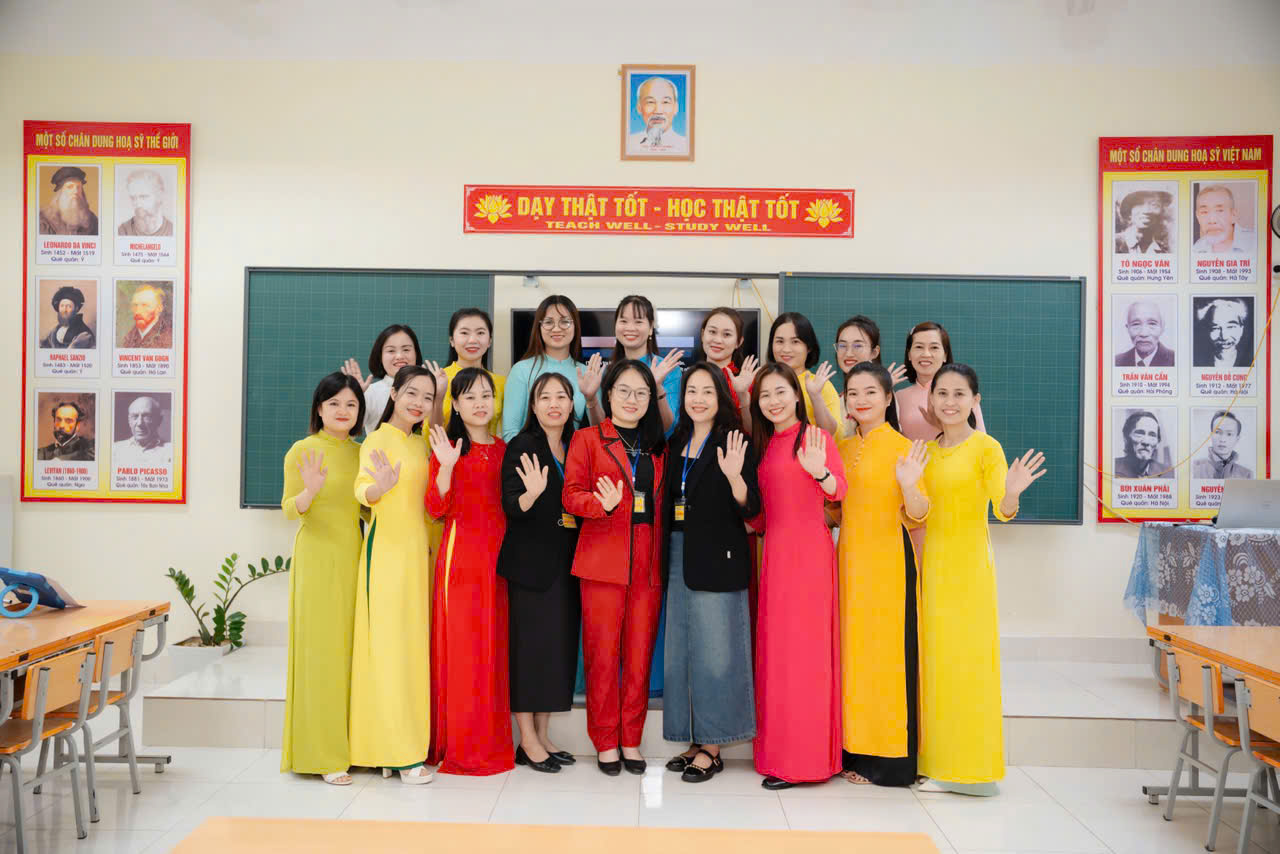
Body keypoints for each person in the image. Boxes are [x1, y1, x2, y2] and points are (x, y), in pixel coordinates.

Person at [918, 363, 1045, 796]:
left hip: (969, 569)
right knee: (937, 667)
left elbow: (1003, 509)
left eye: (959, 394)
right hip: (932, 566)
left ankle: (974, 770)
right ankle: (938, 765)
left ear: (975, 401)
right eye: (942, 393)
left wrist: (1012, 491)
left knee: (969, 667)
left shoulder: (986, 447)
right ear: (931, 399)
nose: (950, 402)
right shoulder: (925, 451)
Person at [562, 359, 667, 776]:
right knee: (602, 657)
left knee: (639, 657)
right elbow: (571, 495)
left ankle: (631, 739)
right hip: (602, 560)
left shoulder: (658, 445)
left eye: (641, 392)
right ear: (608, 395)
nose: (632, 399)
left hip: (648, 564)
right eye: (624, 390)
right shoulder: (587, 439)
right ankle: (606, 740)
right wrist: (599, 504)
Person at [662, 364, 760, 783]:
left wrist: (736, 478)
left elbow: (752, 506)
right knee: (683, 650)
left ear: (721, 396)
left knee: (717, 654)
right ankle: (693, 738)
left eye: (707, 391)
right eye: (691, 391)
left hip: (719, 556)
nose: (698, 399)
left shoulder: (734, 439)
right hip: (678, 553)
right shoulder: (677, 440)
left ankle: (714, 746)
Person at [750, 363, 846, 790]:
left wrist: (820, 470)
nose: (773, 401)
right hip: (774, 558)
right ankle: (780, 755)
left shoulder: (816, 437)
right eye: (765, 395)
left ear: (796, 394)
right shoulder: (763, 446)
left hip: (810, 559)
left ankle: (807, 761)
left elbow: (839, 490)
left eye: (780, 392)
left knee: (806, 657)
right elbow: (761, 514)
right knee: (779, 658)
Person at [834, 362, 929, 787]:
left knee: (887, 659)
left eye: (870, 392)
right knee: (854, 659)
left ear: (889, 398)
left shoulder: (904, 447)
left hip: (889, 565)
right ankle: (854, 750)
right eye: (853, 392)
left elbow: (920, 512)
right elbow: (836, 509)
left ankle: (890, 762)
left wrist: (909, 484)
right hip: (849, 564)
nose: (861, 400)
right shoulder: (841, 446)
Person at [349, 366, 436, 784]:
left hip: (418, 556)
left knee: (411, 652)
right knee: (389, 651)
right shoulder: (377, 439)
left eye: (428, 397)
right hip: (385, 555)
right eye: (412, 393)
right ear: (394, 393)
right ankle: (398, 754)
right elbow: (361, 491)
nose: (419, 403)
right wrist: (378, 489)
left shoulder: (422, 444)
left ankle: (395, 748)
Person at [426, 369, 513, 775]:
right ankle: (460, 744)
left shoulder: (505, 449)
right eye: (470, 396)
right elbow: (434, 508)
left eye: (486, 395)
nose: (480, 403)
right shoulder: (447, 448)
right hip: (461, 559)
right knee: (464, 651)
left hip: (501, 561)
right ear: (456, 405)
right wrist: (445, 467)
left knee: (493, 649)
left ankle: (490, 742)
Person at [280, 373, 365, 786]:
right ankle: (322, 754)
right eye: (334, 403)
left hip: (354, 559)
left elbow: (365, 508)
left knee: (351, 655)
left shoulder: (362, 453)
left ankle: (352, 746)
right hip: (316, 561)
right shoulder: (303, 450)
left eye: (351, 404)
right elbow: (289, 508)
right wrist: (309, 492)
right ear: (319, 408)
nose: (343, 411)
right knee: (321, 657)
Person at [497, 373, 582, 773]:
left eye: (561, 397)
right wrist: (530, 494)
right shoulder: (522, 445)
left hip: (568, 564)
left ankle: (544, 736)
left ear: (571, 404)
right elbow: (511, 504)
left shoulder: (576, 444)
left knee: (556, 652)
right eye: (545, 397)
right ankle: (527, 741)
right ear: (533, 406)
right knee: (529, 653)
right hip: (531, 567)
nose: (553, 404)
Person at [502, 294, 604, 440]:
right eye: (548, 322)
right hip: (530, 454)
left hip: (572, 454)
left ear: (575, 326)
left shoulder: (586, 373)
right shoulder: (521, 370)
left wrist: (591, 398)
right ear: (539, 327)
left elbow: (600, 433)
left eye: (565, 322)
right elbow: (510, 433)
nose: (556, 328)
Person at [895, 322, 986, 442]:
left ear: (945, 355)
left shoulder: (961, 393)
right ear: (909, 355)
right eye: (919, 347)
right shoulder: (899, 397)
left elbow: (981, 442)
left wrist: (940, 425)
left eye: (934, 347)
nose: (926, 354)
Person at [341, 324, 438, 436]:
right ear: (380, 356)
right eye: (391, 351)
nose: (399, 356)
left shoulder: (429, 390)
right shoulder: (371, 392)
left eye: (406, 349)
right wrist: (353, 396)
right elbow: (348, 431)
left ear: (416, 353)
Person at [612, 295, 684, 434]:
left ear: (651, 328)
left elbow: (669, 427)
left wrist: (656, 387)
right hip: (614, 446)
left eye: (638, 321)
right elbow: (600, 424)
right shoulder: (608, 371)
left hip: (653, 447)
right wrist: (591, 399)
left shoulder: (667, 370)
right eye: (623, 321)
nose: (630, 328)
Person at [766, 312, 841, 437]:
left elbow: (832, 433)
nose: (786, 349)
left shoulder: (820, 385)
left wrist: (815, 396)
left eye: (795, 341)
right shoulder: (764, 383)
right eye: (779, 341)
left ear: (809, 347)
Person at [833, 316, 906, 436]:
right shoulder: (839, 397)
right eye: (842, 345)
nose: (849, 353)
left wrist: (882, 386)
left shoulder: (883, 395)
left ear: (874, 352)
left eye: (858, 346)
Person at [437, 308, 506, 435]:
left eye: (480, 333)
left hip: (491, 447)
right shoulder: (438, 379)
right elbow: (428, 432)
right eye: (464, 333)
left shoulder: (502, 383)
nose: (473, 340)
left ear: (489, 341)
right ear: (452, 340)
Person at [692, 306, 758, 426]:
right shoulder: (689, 378)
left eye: (727, 334)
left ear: (739, 342)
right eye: (712, 332)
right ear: (702, 335)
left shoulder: (748, 382)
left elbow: (755, 432)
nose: (718, 340)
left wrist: (742, 395)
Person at [627, 76, 689, 155]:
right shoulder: (629, 144)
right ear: (639, 108)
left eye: (665, 102)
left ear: (676, 108)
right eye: (650, 102)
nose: (658, 111)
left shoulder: (686, 146)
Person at [1193, 184, 1256, 254]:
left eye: (1219, 211)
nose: (1212, 220)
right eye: (1204, 212)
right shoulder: (1196, 249)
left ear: (1233, 215)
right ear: (1198, 217)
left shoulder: (1254, 242)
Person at [1113, 410, 1173, 479]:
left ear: (1157, 443)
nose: (1146, 442)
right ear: (1126, 437)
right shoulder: (1111, 467)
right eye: (1140, 433)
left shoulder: (1168, 473)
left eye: (1152, 435)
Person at [112, 395, 171, 465]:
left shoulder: (171, 451)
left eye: (147, 417)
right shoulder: (115, 449)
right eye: (135, 416)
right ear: (129, 421)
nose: (140, 423)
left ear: (159, 420)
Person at [1193, 297, 1252, 368]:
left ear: (1241, 329)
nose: (1224, 337)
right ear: (1207, 330)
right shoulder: (1196, 361)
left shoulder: (1252, 360)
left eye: (1230, 327)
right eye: (1215, 328)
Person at [1192, 411, 1252, 479]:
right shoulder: (1194, 468)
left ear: (1237, 439)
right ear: (1211, 435)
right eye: (1217, 432)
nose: (1222, 439)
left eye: (1229, 434)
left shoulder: (1246, 475)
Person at [39, 166, 98, 235]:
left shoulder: (92, 219)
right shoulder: (43, 219)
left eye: (78, 187)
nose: (76, 191)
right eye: (70, 187)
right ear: (60, 193)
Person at [1114, 301, 1175, 367]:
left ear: (1162, 328)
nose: (1144, 334)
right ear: (1127, 328)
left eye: (1152, 323)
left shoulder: (1176, 360)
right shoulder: (1116, 362)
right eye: (1136, 324)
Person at [117, 169, 174, 237]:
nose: (137, 204)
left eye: (143, 197)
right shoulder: (123, 231)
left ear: (160, 196)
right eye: (133, 198)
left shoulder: (173, 230)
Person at [1114, 190, 1173, 254]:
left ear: (1161, 213)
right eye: (1139, 204)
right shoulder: (1114, 243)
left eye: (1154, 205)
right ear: (1129, 212)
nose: (1146, 211)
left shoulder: (1166, 249)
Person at [39, 285, 95, 349]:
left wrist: (74, 345)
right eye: (62, 306)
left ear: (76, 308)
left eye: (69, 306)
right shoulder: (54, 331)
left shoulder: (84, 333)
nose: (64, 310)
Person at [120, 284, 173, 348]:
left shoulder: (169, 337)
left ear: (159, 308)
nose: (137, 311)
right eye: (135, 305)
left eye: (145, 305)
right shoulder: (128, 338)